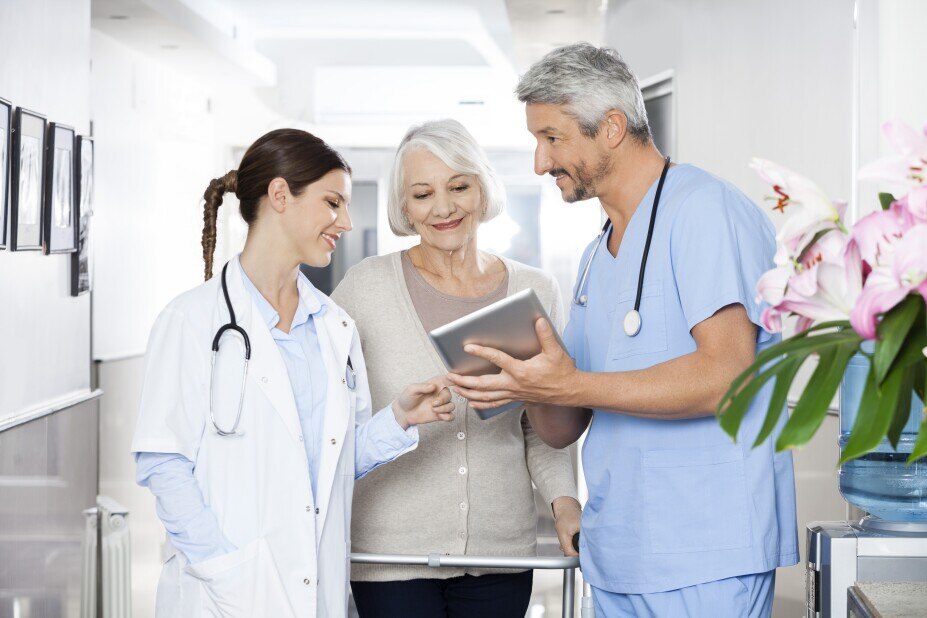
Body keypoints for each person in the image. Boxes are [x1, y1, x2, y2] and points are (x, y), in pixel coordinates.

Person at [448, 44, 799, 617]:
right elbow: (564, 426)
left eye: (552, 138)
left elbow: (727, 379)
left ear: (611, 127)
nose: (540, 162)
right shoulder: (596, 255)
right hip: (618, 554)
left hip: (704, 553)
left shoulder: (704, 211)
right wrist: (525, 381)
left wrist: (570, 385)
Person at [131, 128, 456, 618]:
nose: (346, 222)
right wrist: (224, 571)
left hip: (313, 592)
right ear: (280, 195)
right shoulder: (190, 320)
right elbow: (164, 464)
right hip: (223, 595)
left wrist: (399, 419)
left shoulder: (334, 327)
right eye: (333, 203)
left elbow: (332, 464)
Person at [331, 119, 580, 618]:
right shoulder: (364, 289)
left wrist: (564, 502)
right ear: (404, 207)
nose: (443, 208)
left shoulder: (535, 290)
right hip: (390, 553)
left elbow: (541, 423)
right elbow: (327, 413)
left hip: (500, 552)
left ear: (483, 190)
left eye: (459, 187)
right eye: (423, 194)